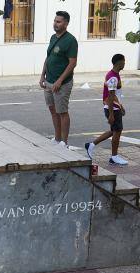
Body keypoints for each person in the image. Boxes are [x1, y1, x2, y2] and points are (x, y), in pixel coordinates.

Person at [39, 11, 78, 148]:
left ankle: (64, 142)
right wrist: (42, 75)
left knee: (62, 111)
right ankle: (57, 138)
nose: (55, 24)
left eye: (59, 21)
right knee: (52, 110)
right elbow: (48, 57)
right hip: (49, 81)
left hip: (62, 84)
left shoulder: (71, 40)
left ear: (66, 23)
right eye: (55, 21)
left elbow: (72, 63)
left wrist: (60, 81)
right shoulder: (53, 37)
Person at [85, 53, 127, 166]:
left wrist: (121, 106)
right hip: (112, 108)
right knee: (117, 132)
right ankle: (114, 157)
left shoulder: (113, 74)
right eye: (124, 61)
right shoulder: (113, 77)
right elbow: (111, 96)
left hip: (114, 107)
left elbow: (115, 95)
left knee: (114, 131)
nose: (125, 63)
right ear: (119, 62)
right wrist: (112, 114)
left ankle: (91, 145)